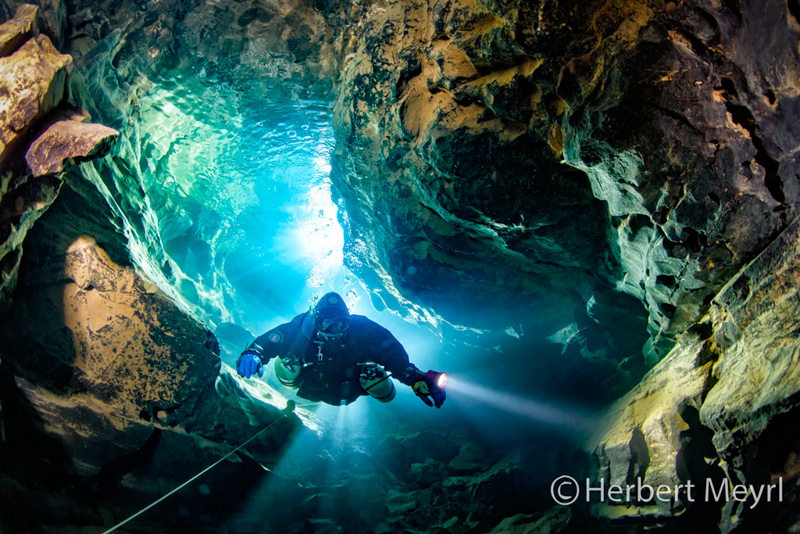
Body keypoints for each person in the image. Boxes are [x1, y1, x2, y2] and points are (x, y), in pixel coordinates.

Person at [236, 292, 447, 408]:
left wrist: (418, 380)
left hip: (349, 390)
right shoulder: (303, 326)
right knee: (286, 363)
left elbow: (398, 362)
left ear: (349, 320)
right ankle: (289, 380)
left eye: (341, 323)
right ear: (316, 320)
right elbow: (274, 339)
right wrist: (255, 352)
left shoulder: (365, 330)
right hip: (308, 385)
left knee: (377, 378)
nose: (334, 330)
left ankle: (376, 386)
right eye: (326, 323)